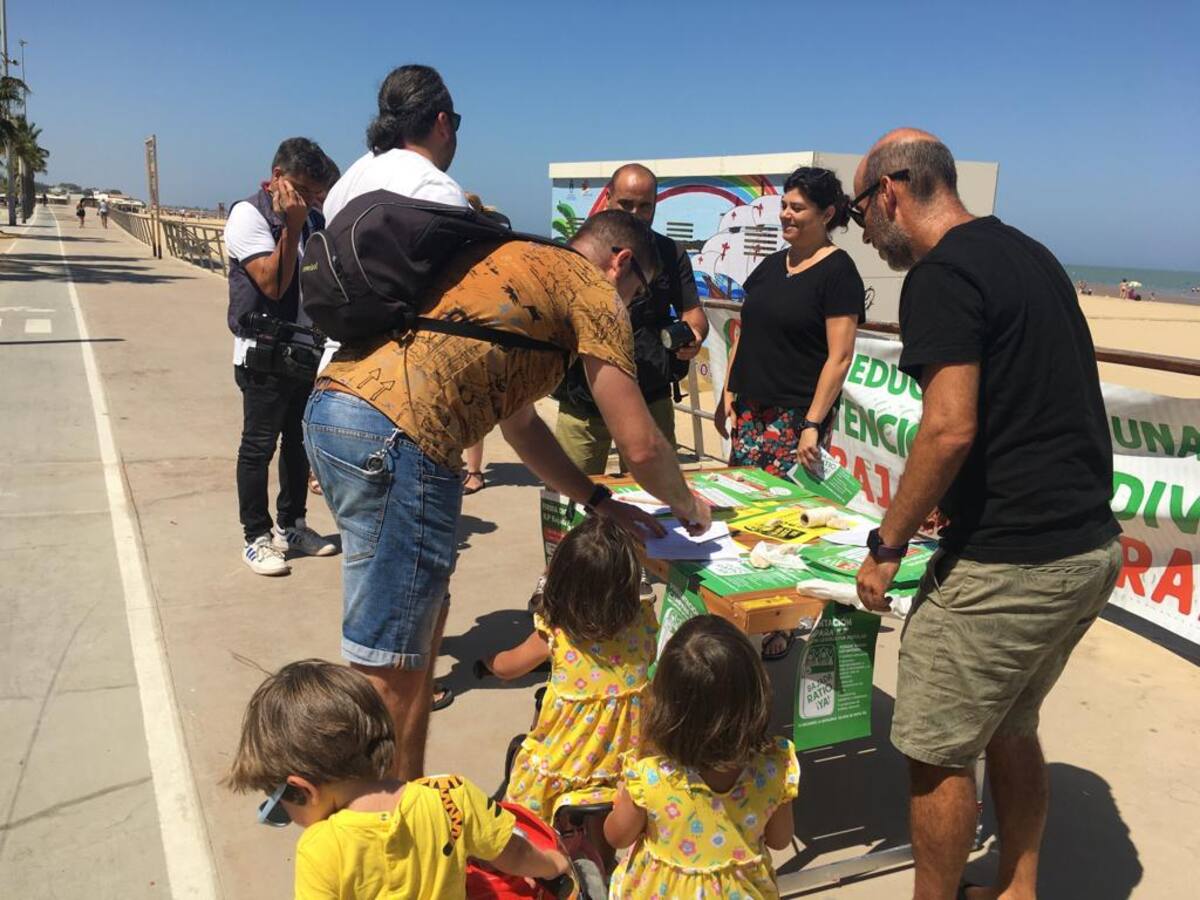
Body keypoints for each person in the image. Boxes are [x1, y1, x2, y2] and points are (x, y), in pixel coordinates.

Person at [308, 154, 711, 786]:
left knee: (409, 626)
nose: (627, 309)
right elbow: (641, 445)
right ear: (621, 263)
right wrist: (688, 507)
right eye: (632, 296)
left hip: (339, 412)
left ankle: (391, 802)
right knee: (394, 665)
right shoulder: (591, 288)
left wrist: (597, 501)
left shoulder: (521, 266)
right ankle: (393, 834)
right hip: (401, 437)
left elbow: (521, 427)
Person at [850, 129, 1122, 900]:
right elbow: (1033, 399)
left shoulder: (939, 277)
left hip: (1014, 566)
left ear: (892, 192)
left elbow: (949, 427)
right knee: (1010, 723)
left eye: (863, 211)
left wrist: (888, 543)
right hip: (1086, 547)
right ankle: (1017, 890)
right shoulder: (1028, 253)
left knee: (935, 747)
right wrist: (959, 500)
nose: (866, 229)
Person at [225, 659, 568, 899]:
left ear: (303, 791)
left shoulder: (320, 850)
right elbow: (514, 853)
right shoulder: (451, 796)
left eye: (281, 808)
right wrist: (553, 864)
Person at [714, 166, 864, 660]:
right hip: (752, 412)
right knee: (743, 512)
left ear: (827, 214)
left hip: (795, 418)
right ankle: (741, 607)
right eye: (784, 205)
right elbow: (745, 331)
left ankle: (782, 620)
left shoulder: (839, 271)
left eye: (797, 208)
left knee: (786, 523)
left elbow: (839, 356)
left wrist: (814, 424)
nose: (786, 215)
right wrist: (728, 392)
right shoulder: (771, 265)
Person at [604, 615, 800, 898]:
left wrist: (624, 796)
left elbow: (616, 836)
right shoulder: (773, 771)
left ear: (667, 706)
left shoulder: (651, 778)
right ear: (755, 698)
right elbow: (781, 840)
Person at [485, 516, 656, 832]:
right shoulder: (643, 624)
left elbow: (509, 667)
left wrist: (488, 664)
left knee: (521, 822)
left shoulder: (555, 634)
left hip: (563, 769)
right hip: (625, 763)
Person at [224, 137, 340, 576]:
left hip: (305, 350)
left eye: (316, 194)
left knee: (298, 445)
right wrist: (291, 227)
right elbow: (272, 283)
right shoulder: (248, 215)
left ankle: (293, 524)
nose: (310, 200)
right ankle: (256, 535)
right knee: (258, 446)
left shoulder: (313, 220)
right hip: (263, 353)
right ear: (277, 178)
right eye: (303, 189)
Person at [554, 163, 709, 475]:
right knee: (569, 497)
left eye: (645, 206)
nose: (636, 213)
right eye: (626, 204)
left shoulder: (669, 252)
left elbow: (694, 314)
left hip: (649, 395)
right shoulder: (579, 249)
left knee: (653, 496)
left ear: (655, 205)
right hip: (584, 397)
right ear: (608, 198)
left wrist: (692, 337)